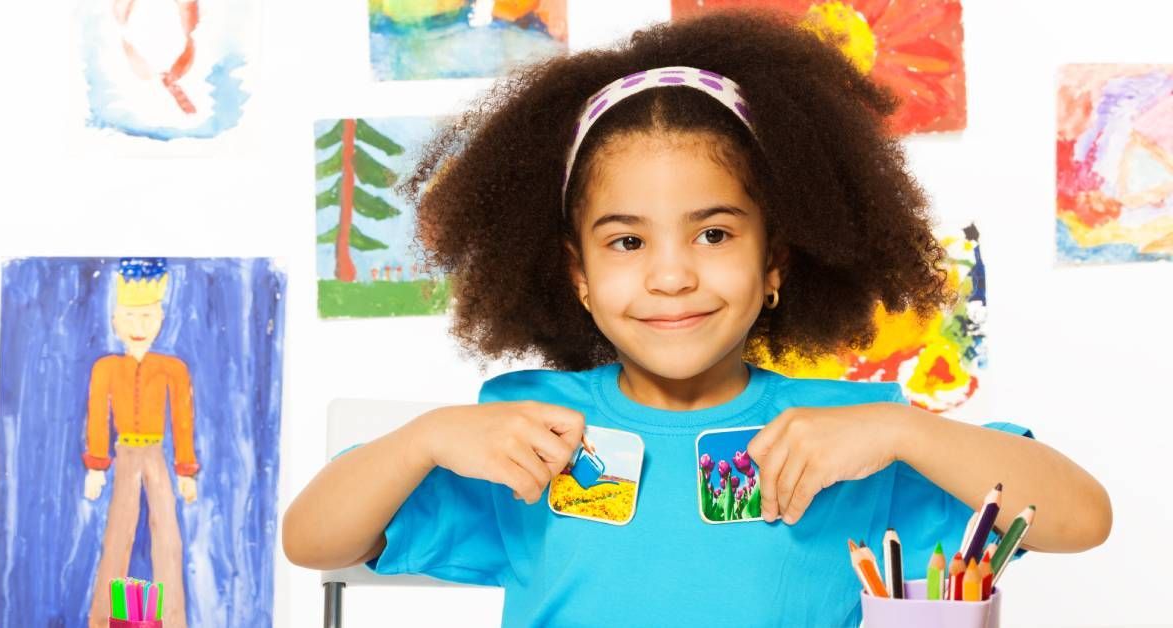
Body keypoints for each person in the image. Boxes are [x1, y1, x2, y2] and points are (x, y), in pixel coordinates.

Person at [284, 9, 1110, 626]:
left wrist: (906, 435)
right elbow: (313, 542)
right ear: (575, 274)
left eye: (714, 233)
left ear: (776, 259)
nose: (672, 275)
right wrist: (425, 436)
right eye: (626, 241)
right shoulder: (527, 432)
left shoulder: (849, 438)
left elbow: (1082, 519)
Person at [85, 258, 197, 628]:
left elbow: (182, 421)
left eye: (147, 317)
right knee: (118, 536)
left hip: (156, 455)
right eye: (131, 317)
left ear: (160, 320)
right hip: (123, 455)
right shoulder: (106, 369)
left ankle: (173, 621)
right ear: (116, 320)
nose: (139, 327)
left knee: (167, 536)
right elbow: (98, 417)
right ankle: (102, 620)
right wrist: (96, 467)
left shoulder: (173, 369)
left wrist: (186, 471)